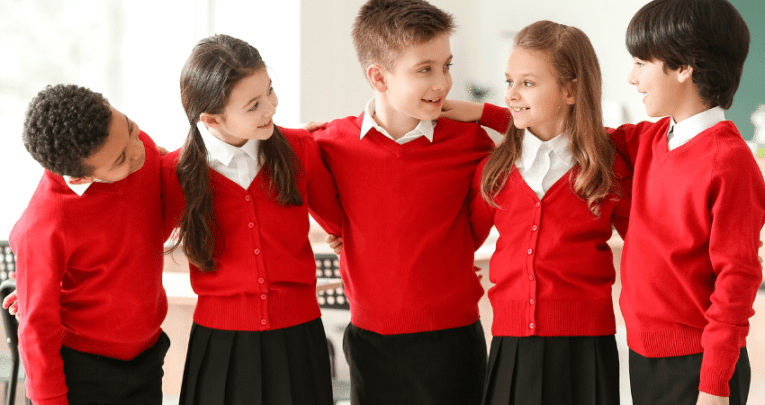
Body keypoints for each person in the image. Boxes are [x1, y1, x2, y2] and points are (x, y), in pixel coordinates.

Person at [309, 0, 509, 403]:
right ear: (379, 77)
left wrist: (484, 112)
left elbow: (541, 135)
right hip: (371, 341)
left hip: (453, 338)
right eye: (425, 69)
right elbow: (285, 161)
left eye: (446, 65)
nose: (443, 83)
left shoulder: (469, 141)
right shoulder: (331, 143)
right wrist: (350, 237)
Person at [446, 20, 631, 404]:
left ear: (571, 89)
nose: (511, 94)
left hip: (586, 347)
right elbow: (458, 242)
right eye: (509, 81)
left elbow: (646, 245)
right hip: (512, 343)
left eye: (527, 83)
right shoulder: (494, 170)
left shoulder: (608, 167)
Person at [161, 34, 343, 405]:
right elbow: (130, 242)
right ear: (211, 118)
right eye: (254, 105)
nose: (271, 108)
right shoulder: (174, 172)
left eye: (270, 92)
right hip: (219, 342)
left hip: (298, 335)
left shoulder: (300, 150)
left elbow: (347, 225)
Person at [610, 0, 765, 404]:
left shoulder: (730, 162)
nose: (631, 77)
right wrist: (487, 114)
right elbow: (571, 136)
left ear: (683, 67)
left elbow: (737, 283)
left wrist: (714, 387)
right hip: (644, 355)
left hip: (700, 368)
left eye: (642, 62)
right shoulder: (647, 139)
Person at [10, 84, 169, 405]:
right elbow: (36, 331)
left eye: (132, 128)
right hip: (80, 374)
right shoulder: (45, 226)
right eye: (123, 157)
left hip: (147, 358)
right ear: (81, 178)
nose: (141, 149)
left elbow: (167, 175)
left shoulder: (127, 147)